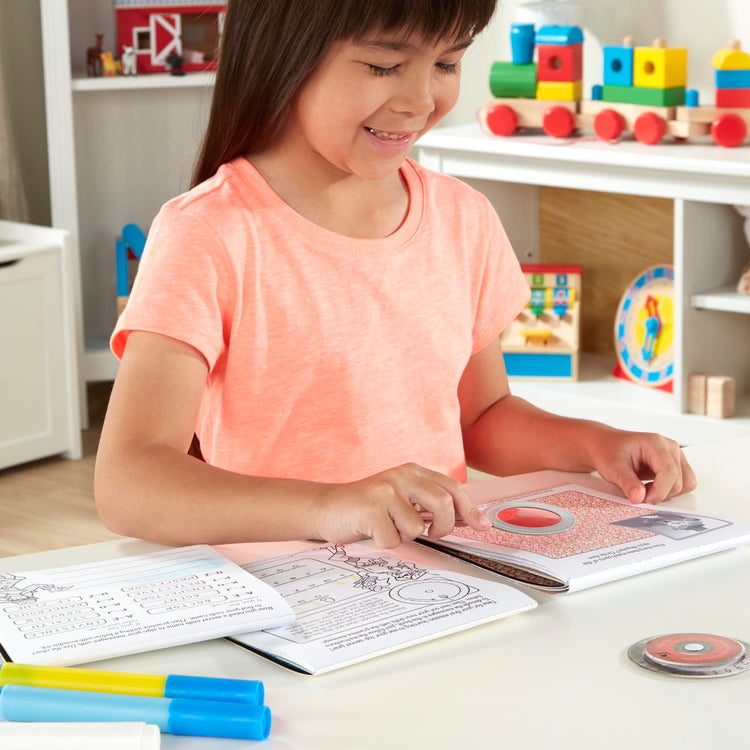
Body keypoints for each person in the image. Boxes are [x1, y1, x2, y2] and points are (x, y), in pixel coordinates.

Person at [94, 0, 696, 549]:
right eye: (383, 66)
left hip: (442, 572)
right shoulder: (208, 233)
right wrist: (330, 506)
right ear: (283, 55)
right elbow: (128, 482)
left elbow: (482, 418)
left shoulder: (463, 218)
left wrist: (595, 443)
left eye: (448, 63)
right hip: (287, 589)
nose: (421, 100)